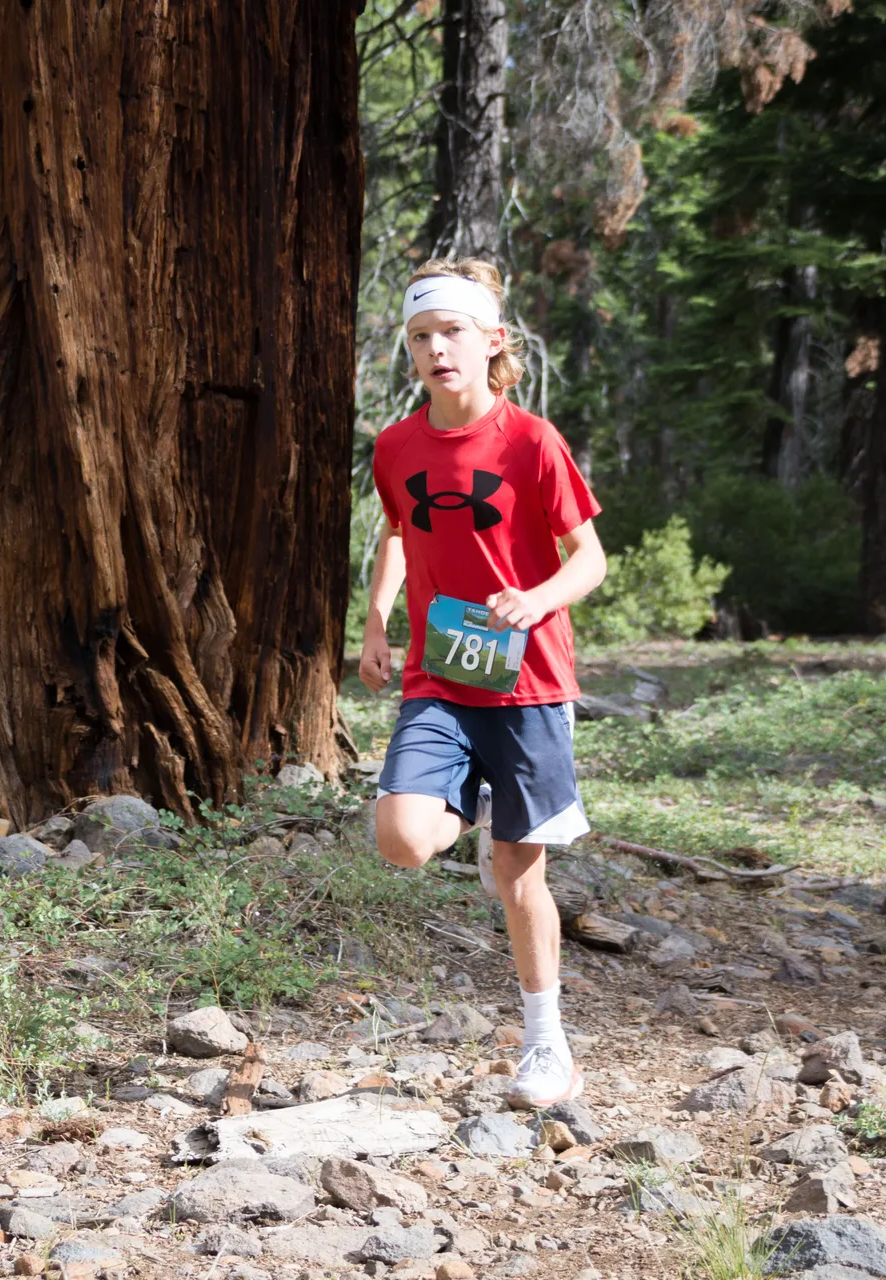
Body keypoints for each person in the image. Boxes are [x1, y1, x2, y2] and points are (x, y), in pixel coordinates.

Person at [359, 258, 607, 1109]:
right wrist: (377, 618)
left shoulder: (532, 441)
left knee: (518, 877)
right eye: (420, 337)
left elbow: (592, 560)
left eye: (452, 333)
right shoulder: (395, 446)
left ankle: (548, 1048)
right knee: (402, 836)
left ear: (492, 341)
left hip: (531, 685)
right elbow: (397, 530)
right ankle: (457, 799)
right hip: (440, 678)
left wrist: (534, 601)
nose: (436, 349)